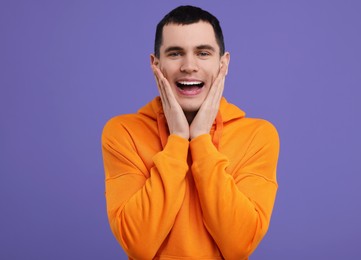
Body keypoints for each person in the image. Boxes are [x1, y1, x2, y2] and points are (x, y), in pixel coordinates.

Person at [102, 5, 279, 260]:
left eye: (203, 53)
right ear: (156, 64)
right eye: (175, 53)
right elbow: (139, 245)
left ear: (223, 63)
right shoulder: (123, 132)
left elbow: (239, 245)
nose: (189, 66)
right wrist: (176, 140)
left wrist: (200, 140)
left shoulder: (258, 136)